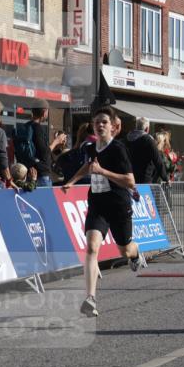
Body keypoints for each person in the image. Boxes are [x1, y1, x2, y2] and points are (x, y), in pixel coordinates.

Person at [61, 106, 146, 317]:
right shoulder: (91, 148)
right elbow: (88, 167)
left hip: (117, 204)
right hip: (97, 203)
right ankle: (90, 298)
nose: (99, 125)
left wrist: (103, 172)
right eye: (97, 121)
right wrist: (71, 182)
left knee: (124, 250)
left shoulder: (118, 149)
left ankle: (136, 254)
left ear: (113, 127)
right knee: (91, 247)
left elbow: (130, 181)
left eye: (104, 122)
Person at [14, 107, 61, 187]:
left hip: (29, 172)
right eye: (47, 111)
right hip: (41, 173)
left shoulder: (25, 127)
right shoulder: (37, 128)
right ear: (44, 113)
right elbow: (44, 153)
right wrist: (57, 141)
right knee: (44, 199)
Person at [125, 117, 169, 185]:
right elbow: (157, 160)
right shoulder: (148, 140)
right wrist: (165, 178)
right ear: (147, 129)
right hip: (144, 180)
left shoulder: (127, 139)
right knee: (145, 196)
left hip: (130, 178)